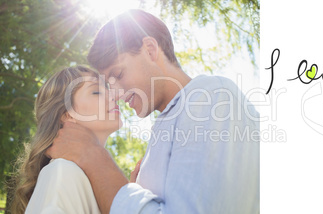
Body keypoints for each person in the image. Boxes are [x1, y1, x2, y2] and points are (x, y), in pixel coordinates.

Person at [47, 9, 260, 213]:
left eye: (118, 74)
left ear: (150, 49)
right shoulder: (169, 126)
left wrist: (93, 157)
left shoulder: (212, 96)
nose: (117, 94)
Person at [11, 66, 126, 214]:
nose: (114, 96)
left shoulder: (87, 179)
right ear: (67, 115)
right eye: (97, 91)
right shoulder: (63, 171)